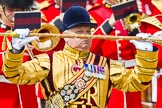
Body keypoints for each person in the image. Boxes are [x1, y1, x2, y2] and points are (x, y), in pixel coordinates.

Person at [2, 5, 158, 108]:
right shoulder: (49, 61)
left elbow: (137, 82)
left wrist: (146, 53)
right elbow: (15, 75)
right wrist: (16, 50)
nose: (85, 37)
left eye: (88, 32)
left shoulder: (105, 64)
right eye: (79, 32)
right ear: (65, 36)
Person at [88, 0, 143, 108]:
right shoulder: (95, 12)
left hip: (131, 74)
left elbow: (142, 47)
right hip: (108, 75)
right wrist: (109, 23)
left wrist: (134, 30)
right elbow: (90, 47)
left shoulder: (132, 12)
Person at [0, 0, 39, 108]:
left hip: (27, 96)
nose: (14, 14)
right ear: (1, 10)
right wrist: (16, 50)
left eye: (18, 10)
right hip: (5, 96)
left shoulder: (31, 31)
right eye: (10, 10)